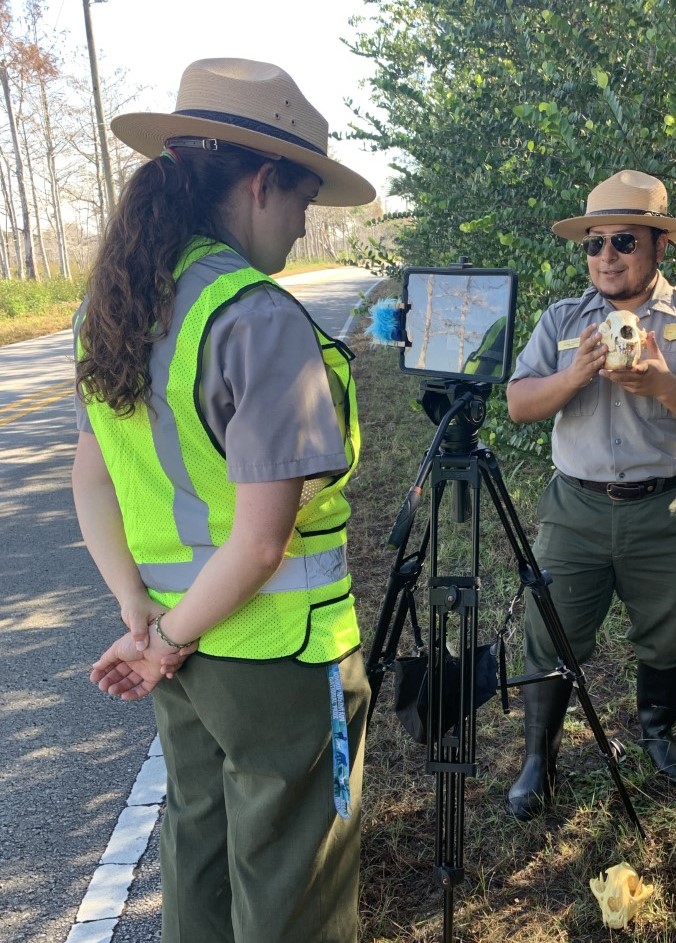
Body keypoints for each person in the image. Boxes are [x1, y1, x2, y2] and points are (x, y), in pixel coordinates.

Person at [72, 58, 375, 942]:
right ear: (259, 181)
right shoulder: (256, 316)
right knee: (294, 878)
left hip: (180, 641)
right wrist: (160, 638)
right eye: (303, 197)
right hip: (279, 652)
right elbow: (260, 544)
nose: (303, 221)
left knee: (198, 844)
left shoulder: (117, 306)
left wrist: (146, 616)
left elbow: (93, 478)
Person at [505, 170, 676, 820]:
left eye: (622, 240)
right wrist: (575, 373)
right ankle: (538, 757)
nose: (606, 257)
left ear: (659, 245)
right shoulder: (562, 320)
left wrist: (666, 387)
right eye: (593, 243)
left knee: (669, 632)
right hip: (575, 510)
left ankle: (657, 737)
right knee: (548, 632)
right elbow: (519, 402)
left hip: (663, 507)